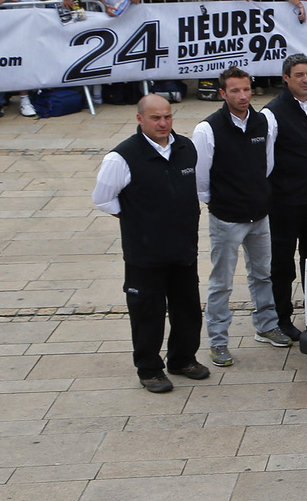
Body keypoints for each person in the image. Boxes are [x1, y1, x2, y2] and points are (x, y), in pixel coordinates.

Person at [92, 95, 206, 392]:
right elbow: (103, 199)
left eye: (167, 117)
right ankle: (149, 369)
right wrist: (139, 220)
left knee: (187, 308)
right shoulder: (122, 157)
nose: (163, 123)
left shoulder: (185, 148)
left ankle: (182, 359)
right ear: (140, 119)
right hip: (145, 253)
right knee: (147, 313)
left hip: (183, 248)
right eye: (156, 118)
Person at [193, 66, 287, 368]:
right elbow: (200, 180)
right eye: (235, 91)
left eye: (246, 89)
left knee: (263, 274)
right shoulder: (207, 130)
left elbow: (267, 166)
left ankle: (266, 325)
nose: (243, 96)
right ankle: (218, 341)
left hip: (260, 216)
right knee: (221, 283)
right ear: (223, 93)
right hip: (226, 219)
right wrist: (222, 204)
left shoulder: (263, 123)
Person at [261, 54, 307, 342]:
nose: (306, 80)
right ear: (286, 77)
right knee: (282, 264)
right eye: (299, 75)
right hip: (285, 202)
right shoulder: (272, 113)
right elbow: (265, 163)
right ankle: (281, 318)